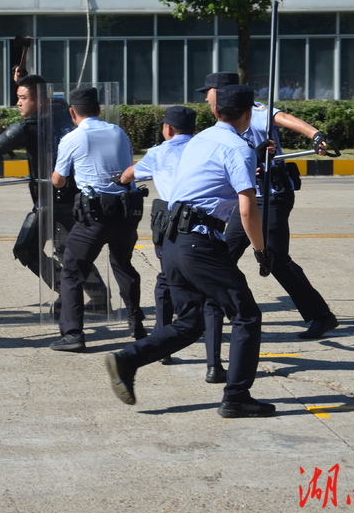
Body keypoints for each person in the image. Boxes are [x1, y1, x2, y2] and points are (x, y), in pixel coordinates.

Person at [104, 85, 276, 418]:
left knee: (191, 321)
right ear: (247, 115)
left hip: (171, 240)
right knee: (246, 314)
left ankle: (128, 359)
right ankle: (237, 397)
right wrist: (261, 250)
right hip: (199, 242)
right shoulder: (239, 150)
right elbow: (247, 210)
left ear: (215, 112)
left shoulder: (200, 141)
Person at [0, 74, 107, 309]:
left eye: (23, 97)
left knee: (29, 249)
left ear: (39, 101)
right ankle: (96, 298)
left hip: (51, 199)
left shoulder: (29, 125)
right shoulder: (64, 110)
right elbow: (42, 87)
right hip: (72, 197)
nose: (18, 103)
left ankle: (72, 295)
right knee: (66, 251)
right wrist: (26, 76)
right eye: (18, 97)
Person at [202, 72, 339, 340]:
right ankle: (207, 314)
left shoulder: (252, 110)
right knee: (223, 256)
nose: (205, 98)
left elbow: (282, 118)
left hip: (271, 195)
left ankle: (321, 316)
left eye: (207, 92)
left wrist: (315, 134)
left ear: (221, 91)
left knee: (276, 259)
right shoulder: (223, 119)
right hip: (248, 197)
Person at [119, 105, 226, 383]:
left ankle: (162, 346)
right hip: (207, 228)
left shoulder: (158, 153)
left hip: (169, 226)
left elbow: (130, 174)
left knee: (166, 282)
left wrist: (119, 178)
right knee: (211, 297)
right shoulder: (204, 148)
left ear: (167, 129)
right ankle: (214, 366)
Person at [49, 86, 144, 353]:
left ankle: (73, 334)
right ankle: (136, 321)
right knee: (123, 264)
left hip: (95, 217)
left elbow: (58, 180)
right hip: (127, 212)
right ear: (99, 110)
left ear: (72, 112)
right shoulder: (118, 131)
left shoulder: (73, 138)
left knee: (72, 269)